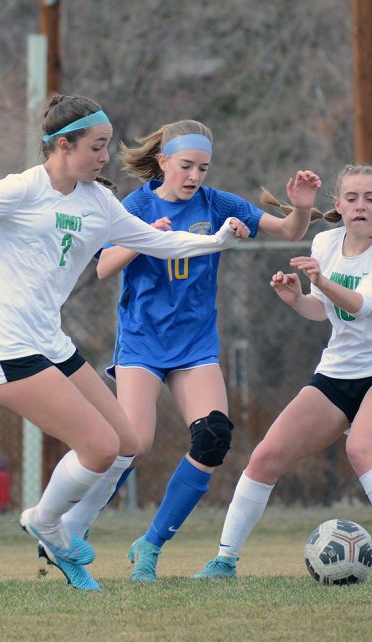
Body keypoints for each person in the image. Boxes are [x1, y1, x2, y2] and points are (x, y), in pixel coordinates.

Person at [0, 95, 249, 591]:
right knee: (100, 446)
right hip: (6, 349)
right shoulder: (23, 189)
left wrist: (217, 241)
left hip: (52, 345)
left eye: (106, 147)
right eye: (97, 147)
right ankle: (46, 524)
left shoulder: (99, 202)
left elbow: (158, 241)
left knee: (126, 443)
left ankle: (57, 531)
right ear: (63, 146)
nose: (106, 158)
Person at [57, 118, 322, 583]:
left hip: (195, 345)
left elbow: (288, 232)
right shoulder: (135, 204)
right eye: (186, 166)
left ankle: (151, 545)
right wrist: (147, 239)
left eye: (203, 167)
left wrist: (300, 210)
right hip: (143, 341)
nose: (195, 176)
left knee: (214, 437)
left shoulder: (216, 203)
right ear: (162, 162)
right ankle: (70, 528)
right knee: (133, 444)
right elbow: (103, 268)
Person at [194, 164, 372, 580]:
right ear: (337, 204)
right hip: (338, 370)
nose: (361, 205)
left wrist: (320, 279)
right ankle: (224, 561)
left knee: (361, 448)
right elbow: (324, 311)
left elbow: (361, 303)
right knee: (266, 456)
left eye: (370, 198)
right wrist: (296, 298)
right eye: (352, 198)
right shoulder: (324, 242)